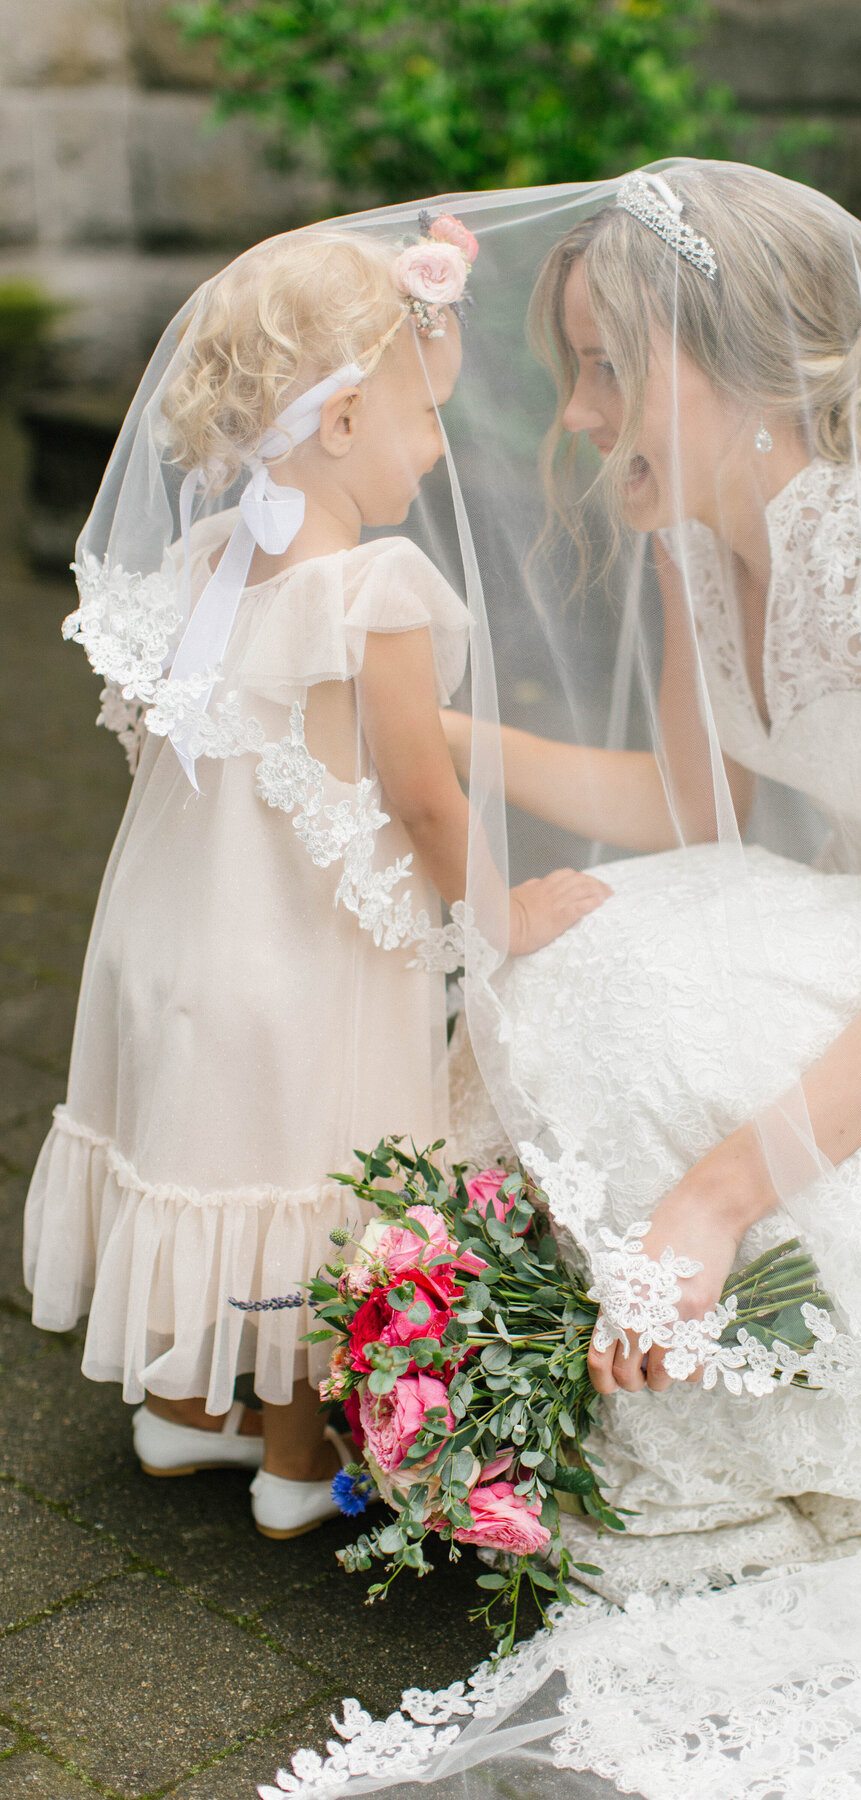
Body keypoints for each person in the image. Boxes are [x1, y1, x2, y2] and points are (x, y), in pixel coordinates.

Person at [264, 162, 861, 1797]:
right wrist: (420, 732)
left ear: (745, 367)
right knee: (571, 939)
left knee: (620, 970)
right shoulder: (708, 526)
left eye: (611, 364)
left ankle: (707, 1361)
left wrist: (711, 1199)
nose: (575, 407)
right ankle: (576, 1369)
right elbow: (685, 807)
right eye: (575, 364)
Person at [22, 219, 608, 1541]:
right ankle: (296, 1460)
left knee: (214, 1151)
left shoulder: (211, 558)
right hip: (305, 957)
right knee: (322, 1181)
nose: (440, 449)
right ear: (341, 419)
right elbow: (417, 794)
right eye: (423, 417)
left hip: (180, 934)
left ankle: (186, 1410)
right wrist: (502, 915)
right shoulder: (373, 592)